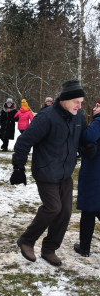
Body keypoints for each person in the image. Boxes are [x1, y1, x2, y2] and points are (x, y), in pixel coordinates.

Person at [11, 80, 87, 267]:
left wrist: (89, 148)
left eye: (81, 102)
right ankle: (27, 240)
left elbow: (83, 139)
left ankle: (49, 249)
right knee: (53, 208)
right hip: (46, 171)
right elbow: (23, 142)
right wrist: (18, 168)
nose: (80, 105)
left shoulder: (78, 116)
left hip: (65, 173)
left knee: (66, 212)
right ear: (65, 100)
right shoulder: (46, 117)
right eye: (77, 101)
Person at [74, 99, 100, 257]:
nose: (95, 108)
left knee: (89, 210)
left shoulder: (99, 121)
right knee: (94, 208)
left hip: (94, 172)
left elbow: (88, 136)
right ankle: (84, 246)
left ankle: (84, 247)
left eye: (98, 106)